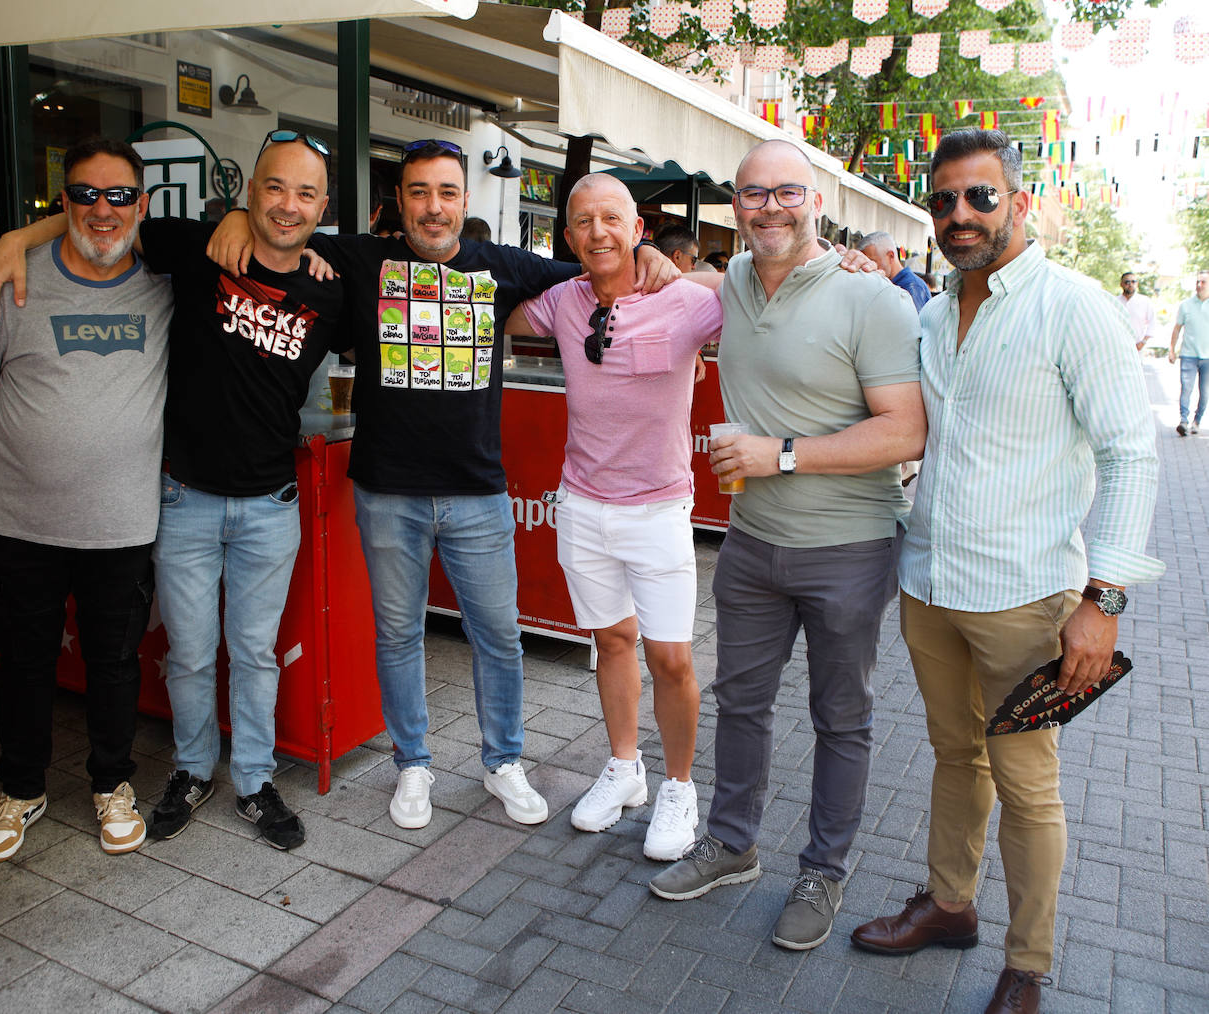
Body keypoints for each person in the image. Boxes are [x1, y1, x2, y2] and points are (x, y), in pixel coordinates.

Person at [208, 138, 679, 831]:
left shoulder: (501, 267)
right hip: (386, 491)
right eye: (420, 192)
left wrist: (646, 255)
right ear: (398, 202)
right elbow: (285, 224)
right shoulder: (358, 260)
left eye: (448, 192)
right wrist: (234, 219)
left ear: (467, 200)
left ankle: (503, 763)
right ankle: (414, 765)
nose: (434, 207)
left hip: (478, 493)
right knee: (397, 635)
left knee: (498, 636)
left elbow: (593, 266)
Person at [849, 129, 1162, 1014]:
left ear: (1018, 203)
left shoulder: (1073, 306)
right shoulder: (932, 314)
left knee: (1027, 785)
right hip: (931, 585)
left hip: (1028, 599)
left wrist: (1103, 600)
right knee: (956, 755)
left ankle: (1029, 964)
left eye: (979, 197)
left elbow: (1132, 456)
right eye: (943, 200)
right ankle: (950, 905)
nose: (959, 214)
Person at [0, 131, 348, 851]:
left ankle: (254, 781)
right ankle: (190, 771)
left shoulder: (335, 283)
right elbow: (104, 213)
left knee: (256, 652)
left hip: (271, 504)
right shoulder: (197, 248)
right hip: (183, 499)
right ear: (249, 193)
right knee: (190, 653)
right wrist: (12, 239)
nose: (288, 205)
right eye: (273, 187)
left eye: (305, 193)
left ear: (323, 207)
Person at [648, 139, 925, 955]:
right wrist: (647, 257)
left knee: (840, 718)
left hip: (849, 546)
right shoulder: (732, 281)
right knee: (741, 703)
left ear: (817, 201)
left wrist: (785, 452)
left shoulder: (871, 300)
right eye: (752, 193)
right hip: (751, 543)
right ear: (735, 204)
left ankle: (823, 871)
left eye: (786, 192)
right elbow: (691, 280)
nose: (769, 206)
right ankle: (732, 843)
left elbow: (906, 430)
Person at [0, 137, 173, 863]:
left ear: (143, 205)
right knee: (24, 661)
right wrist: (16, 455)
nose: (102, 210)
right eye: (85, 194)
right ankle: (21, 787)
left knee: (114, 664)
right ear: (63, 203)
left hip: (122, 523)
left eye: (119, 196)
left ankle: (111, 782)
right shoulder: (12, 282)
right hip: (21, 522)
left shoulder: (166, 286)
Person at [504, 174, 722, 860]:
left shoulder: (683, 300)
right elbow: (504, 312)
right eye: (583, 222)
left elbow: (759, 295)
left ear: (637, 229)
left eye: (612, 219)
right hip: (582, 506)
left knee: (673, 658)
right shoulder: (562, 302)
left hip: (659, 510)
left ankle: (679, 787)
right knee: (612, 643)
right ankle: (625, 769)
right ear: (567, 238)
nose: (598, 231)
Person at [1170, 271, 1209, 436]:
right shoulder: (1186, 305)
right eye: (1197, 282)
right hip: (1188, 355)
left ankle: (1197, 421)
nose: (1199, 285)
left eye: (1203, 282)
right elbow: (1177, 328)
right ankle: (1183, 421)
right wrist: (1172, 349)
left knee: (1205, 391)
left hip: (1208, 357)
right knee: (1186, 388)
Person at [857, 230, 931, 311]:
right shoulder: (887, 283)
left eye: (872, 261)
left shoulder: (912, 287)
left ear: (891, 256)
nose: (867, 267)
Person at [1117, 271, 1154, 352]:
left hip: (1138, 347)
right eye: (1127, 282)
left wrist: (1143, 342)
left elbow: (1152, 323)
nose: (1130, 284)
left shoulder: (1145, 301)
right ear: (1121, 284)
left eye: (1133, 281)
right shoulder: (1115, 302)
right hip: (1118, 346)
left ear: (1137, 284)